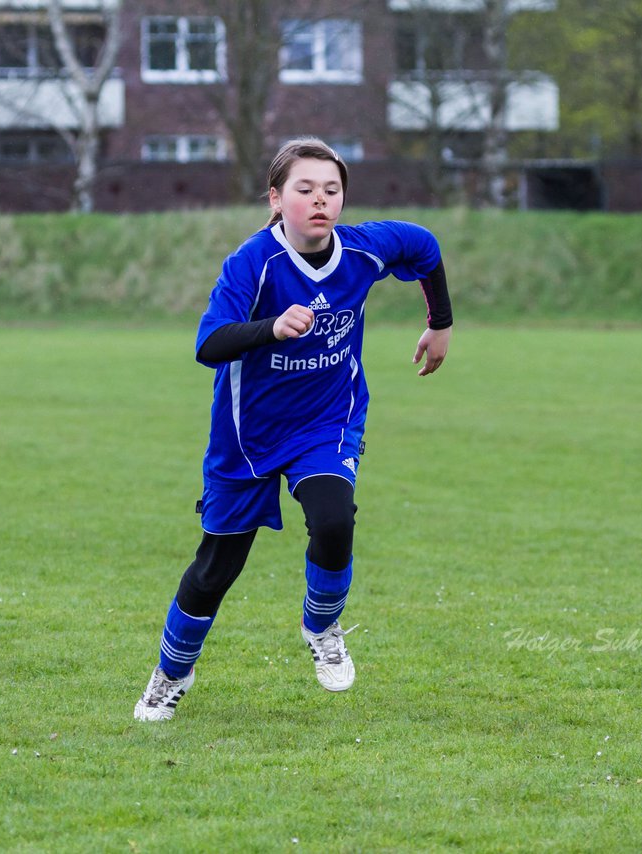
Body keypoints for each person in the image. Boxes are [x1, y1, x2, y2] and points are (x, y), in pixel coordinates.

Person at [133, 137, 453, 721]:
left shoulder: (363, 250)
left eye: (332, 190)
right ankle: (170, 675)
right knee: (216, 569)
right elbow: (209, 342)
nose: (320, 200)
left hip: (326, 421)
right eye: (305, 189)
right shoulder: (254, 263)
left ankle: (321, 627)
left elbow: (425, 248)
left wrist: (440, 324)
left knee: (334, 518)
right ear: (276, 199)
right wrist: (272, 328)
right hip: (246, 436)